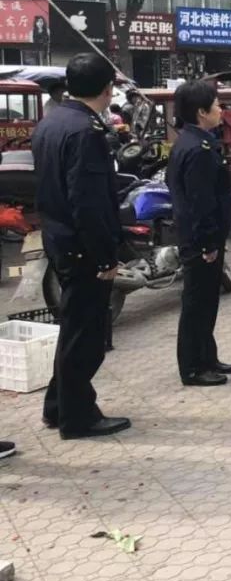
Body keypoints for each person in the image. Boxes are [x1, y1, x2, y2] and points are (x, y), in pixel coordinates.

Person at [32, 53, 130, 440]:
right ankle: (78, 417)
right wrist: (105, 256)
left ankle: (58, 407)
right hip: (82, 246)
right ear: (107, 89)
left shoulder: (51, 122)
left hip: (59, 238)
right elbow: (88, 203)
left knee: (73, 329)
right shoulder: (86, 132)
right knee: (86, 337)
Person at [166, 80, 231, 387]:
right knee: (197, 304)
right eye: (217, 105)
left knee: (208, 302)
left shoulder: (194, 142)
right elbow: (200, 202)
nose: (221, 109)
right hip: (199, 240)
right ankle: (192, 367)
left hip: (202, 236)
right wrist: (208, 243)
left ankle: (207, 357)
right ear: (201, 112)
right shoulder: (197, 149)